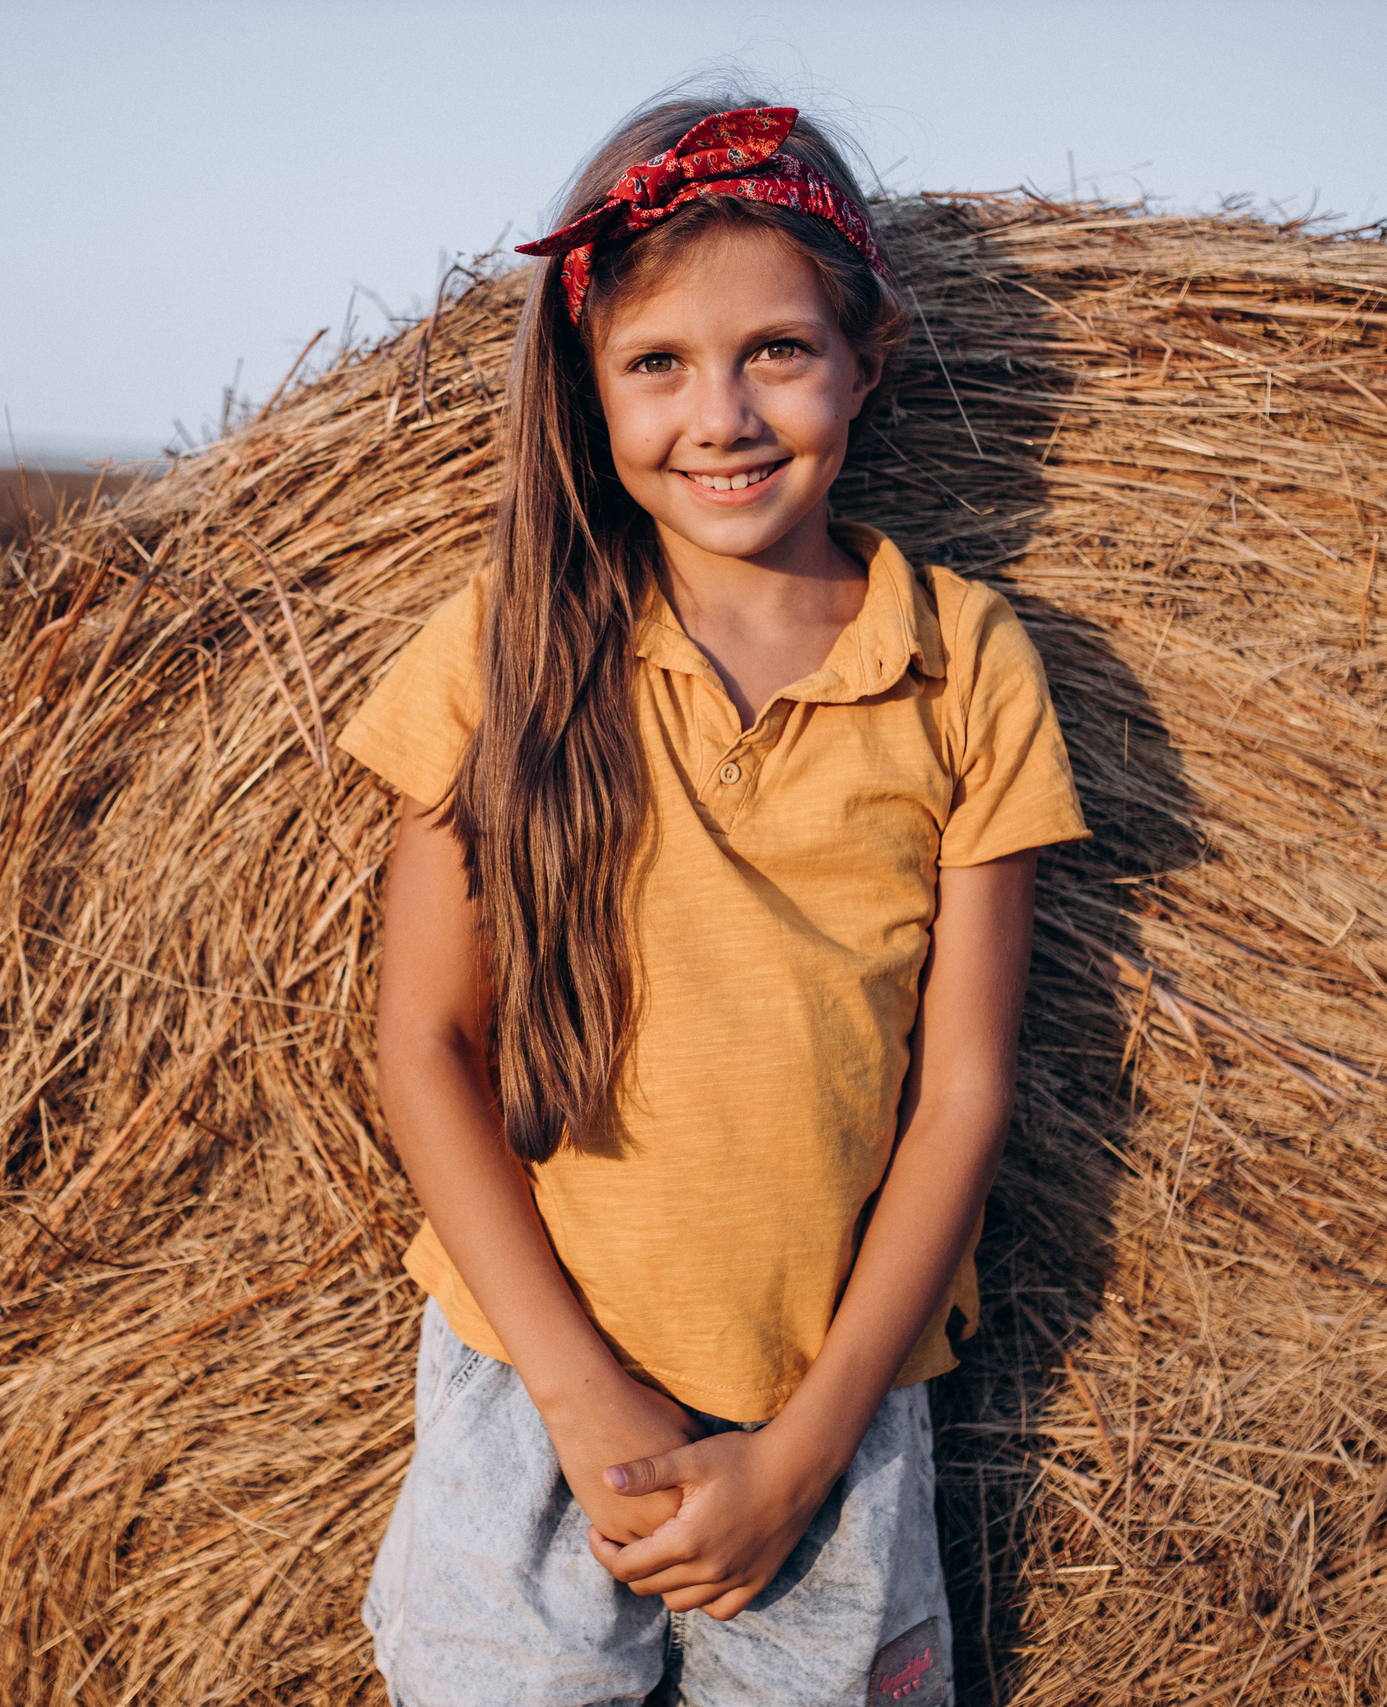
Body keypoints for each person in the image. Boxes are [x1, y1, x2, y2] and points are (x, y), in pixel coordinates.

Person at [339, 94, 1089, 1707]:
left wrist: (812, 1447)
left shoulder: (965, 662)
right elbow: (425, 1046)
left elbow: (962, 1092)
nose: (725, 415)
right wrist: (582, 1396)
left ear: (866, 356)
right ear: (588, 386)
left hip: (830, 1396)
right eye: (660, 363)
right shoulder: (506, 652)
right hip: (527, 1382)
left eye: (778, 352)